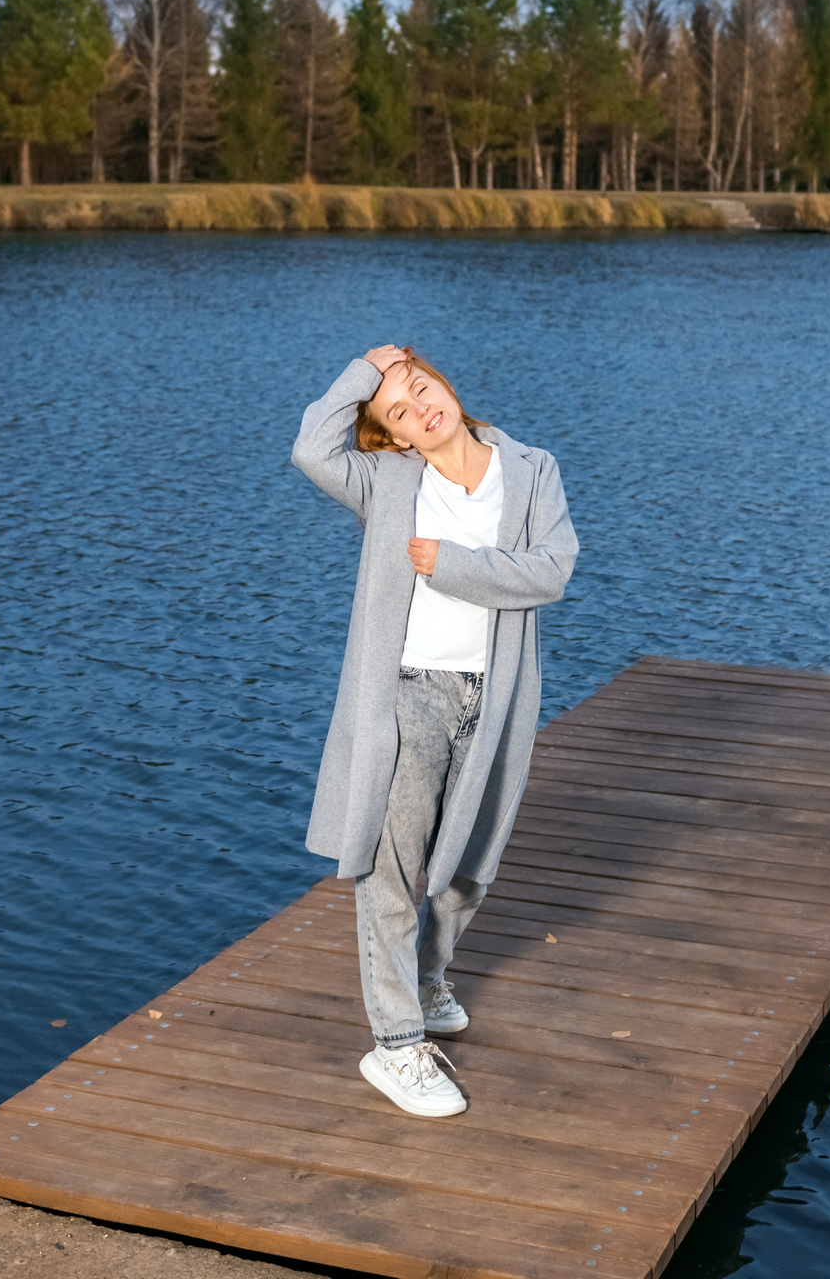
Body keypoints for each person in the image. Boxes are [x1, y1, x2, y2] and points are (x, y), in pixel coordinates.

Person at [291, 343, 578, 1117]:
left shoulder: (532, 470)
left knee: (468, 866)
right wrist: (361, 372)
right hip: (406, 695)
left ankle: (425, 980)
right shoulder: (386, 483)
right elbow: (310, 445)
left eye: (420, 389)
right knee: (391, 870)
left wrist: (449, 563)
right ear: (395, 438)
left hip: (496, 700)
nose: (421, 408)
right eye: (399, 413)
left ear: (444, 382)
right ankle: (394, 1043)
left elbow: (552, 570)